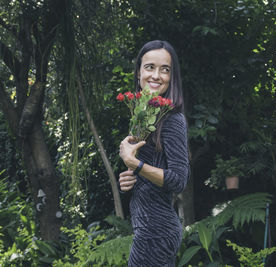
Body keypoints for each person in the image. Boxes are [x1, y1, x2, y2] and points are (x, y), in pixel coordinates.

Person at [118, 40, 190, 267]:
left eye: (165, 69)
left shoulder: (172, 118)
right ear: (138, 71)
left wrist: (136, 164)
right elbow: (150, 175)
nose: (156, 75)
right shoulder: (145, 115)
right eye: (150, 67)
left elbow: (179, 180)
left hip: (156, 231)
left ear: (172, 76)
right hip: (148, 228)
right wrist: (129, 178)